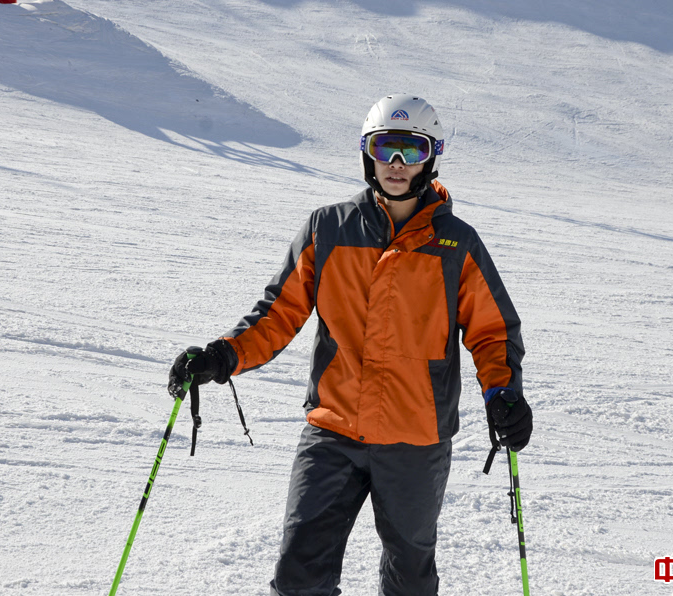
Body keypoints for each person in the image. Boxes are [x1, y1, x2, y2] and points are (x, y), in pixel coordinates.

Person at [168, 93, 532, 596]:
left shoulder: (457, 244)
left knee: (409, 579)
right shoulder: (328, 228)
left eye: (412, 149)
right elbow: (278, 312)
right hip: (334, 432)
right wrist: (222, 355)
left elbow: (492, 332)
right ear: (368, 154)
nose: (398, 164)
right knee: (299, 574)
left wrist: (503, 392)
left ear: (433, 155)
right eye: (386, 148)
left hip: (416, 439)